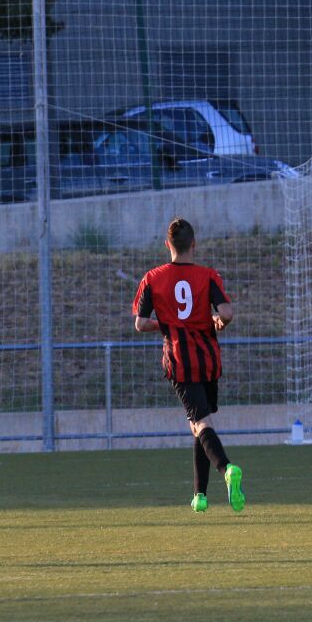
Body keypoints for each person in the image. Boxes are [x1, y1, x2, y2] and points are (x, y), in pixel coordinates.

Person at [131, 217, 245, 513]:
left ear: (167, 245)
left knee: (201, 422)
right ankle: (200, 495)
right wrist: (217, 320)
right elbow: (227, 312)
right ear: (194, 244)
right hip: (208, 358)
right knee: (199, 421)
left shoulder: (153, 278)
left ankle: (226, 469)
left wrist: (166, 324)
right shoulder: (208, 276)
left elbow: (140, 324)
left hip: (180, 359)